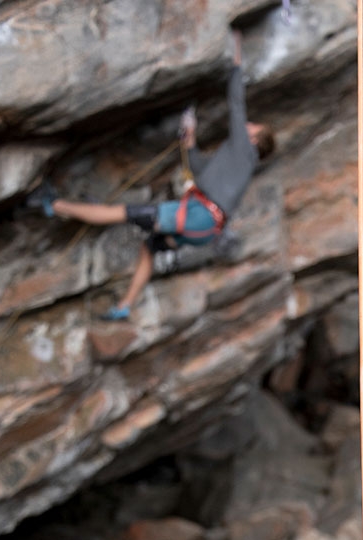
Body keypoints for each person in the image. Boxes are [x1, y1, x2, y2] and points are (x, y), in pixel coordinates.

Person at [26, 30, 274, 321]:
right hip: (203, 230)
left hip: (196, 215)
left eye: (254, 128)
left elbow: (236, 103)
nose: (248, 125)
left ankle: (52, 205)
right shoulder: (236, 164)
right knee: (149, 247)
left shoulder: (246, 151)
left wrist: (236, 56)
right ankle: (125, 306)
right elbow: (196, 166)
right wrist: (190, 138)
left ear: (256, 141)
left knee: (117, 213)